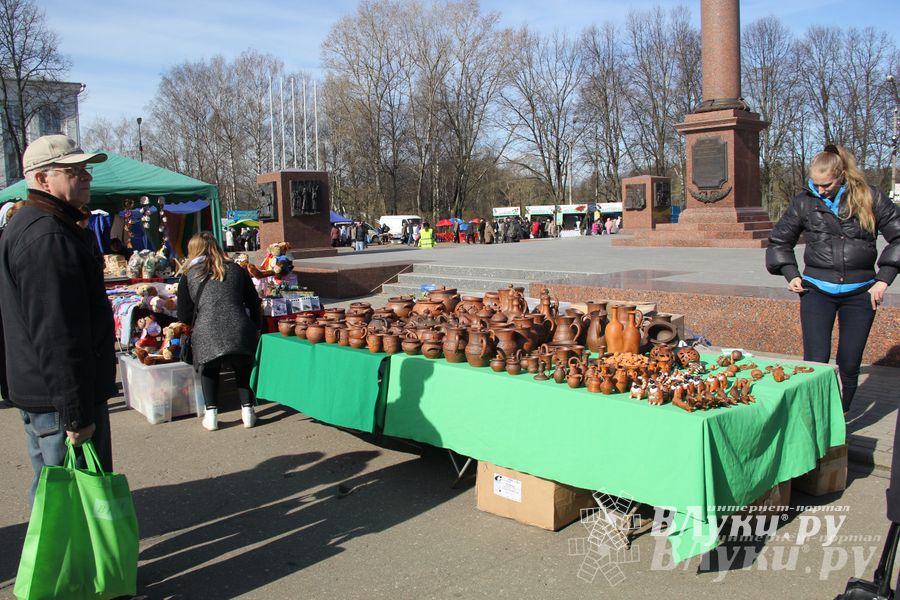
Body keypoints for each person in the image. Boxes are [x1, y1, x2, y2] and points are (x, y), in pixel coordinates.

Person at [0, 135, 115, 504]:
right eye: (74, 171)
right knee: (70, 503)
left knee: (57, 496)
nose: (87, 176)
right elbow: (57, 334)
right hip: (59, 400)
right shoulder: (47, 235)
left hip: (45, 394)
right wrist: (76, 414)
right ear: (42, 179)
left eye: (85, 169)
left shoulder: (40, 225)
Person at [766, 144, 900, 413]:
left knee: (849, 362)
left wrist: (884, 278)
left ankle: (840, 416)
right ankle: (813, 417)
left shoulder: (870, 197)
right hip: (816, 292)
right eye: (815, 184)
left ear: (842, 176)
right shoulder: (804, 201)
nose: (820, 190)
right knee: (814, 361)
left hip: (860, 294)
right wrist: (790, 273)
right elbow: (779, 241)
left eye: (826, 185)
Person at [177, 232, 262, 431]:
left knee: (209, 369)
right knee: (242, 367)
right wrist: (256, 326)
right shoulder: (237, 270)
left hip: (206, 329)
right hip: (239, 327)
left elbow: (184, 314)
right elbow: (253, 301)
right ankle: (248, 411)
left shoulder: (189, 275)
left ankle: (211, 415)